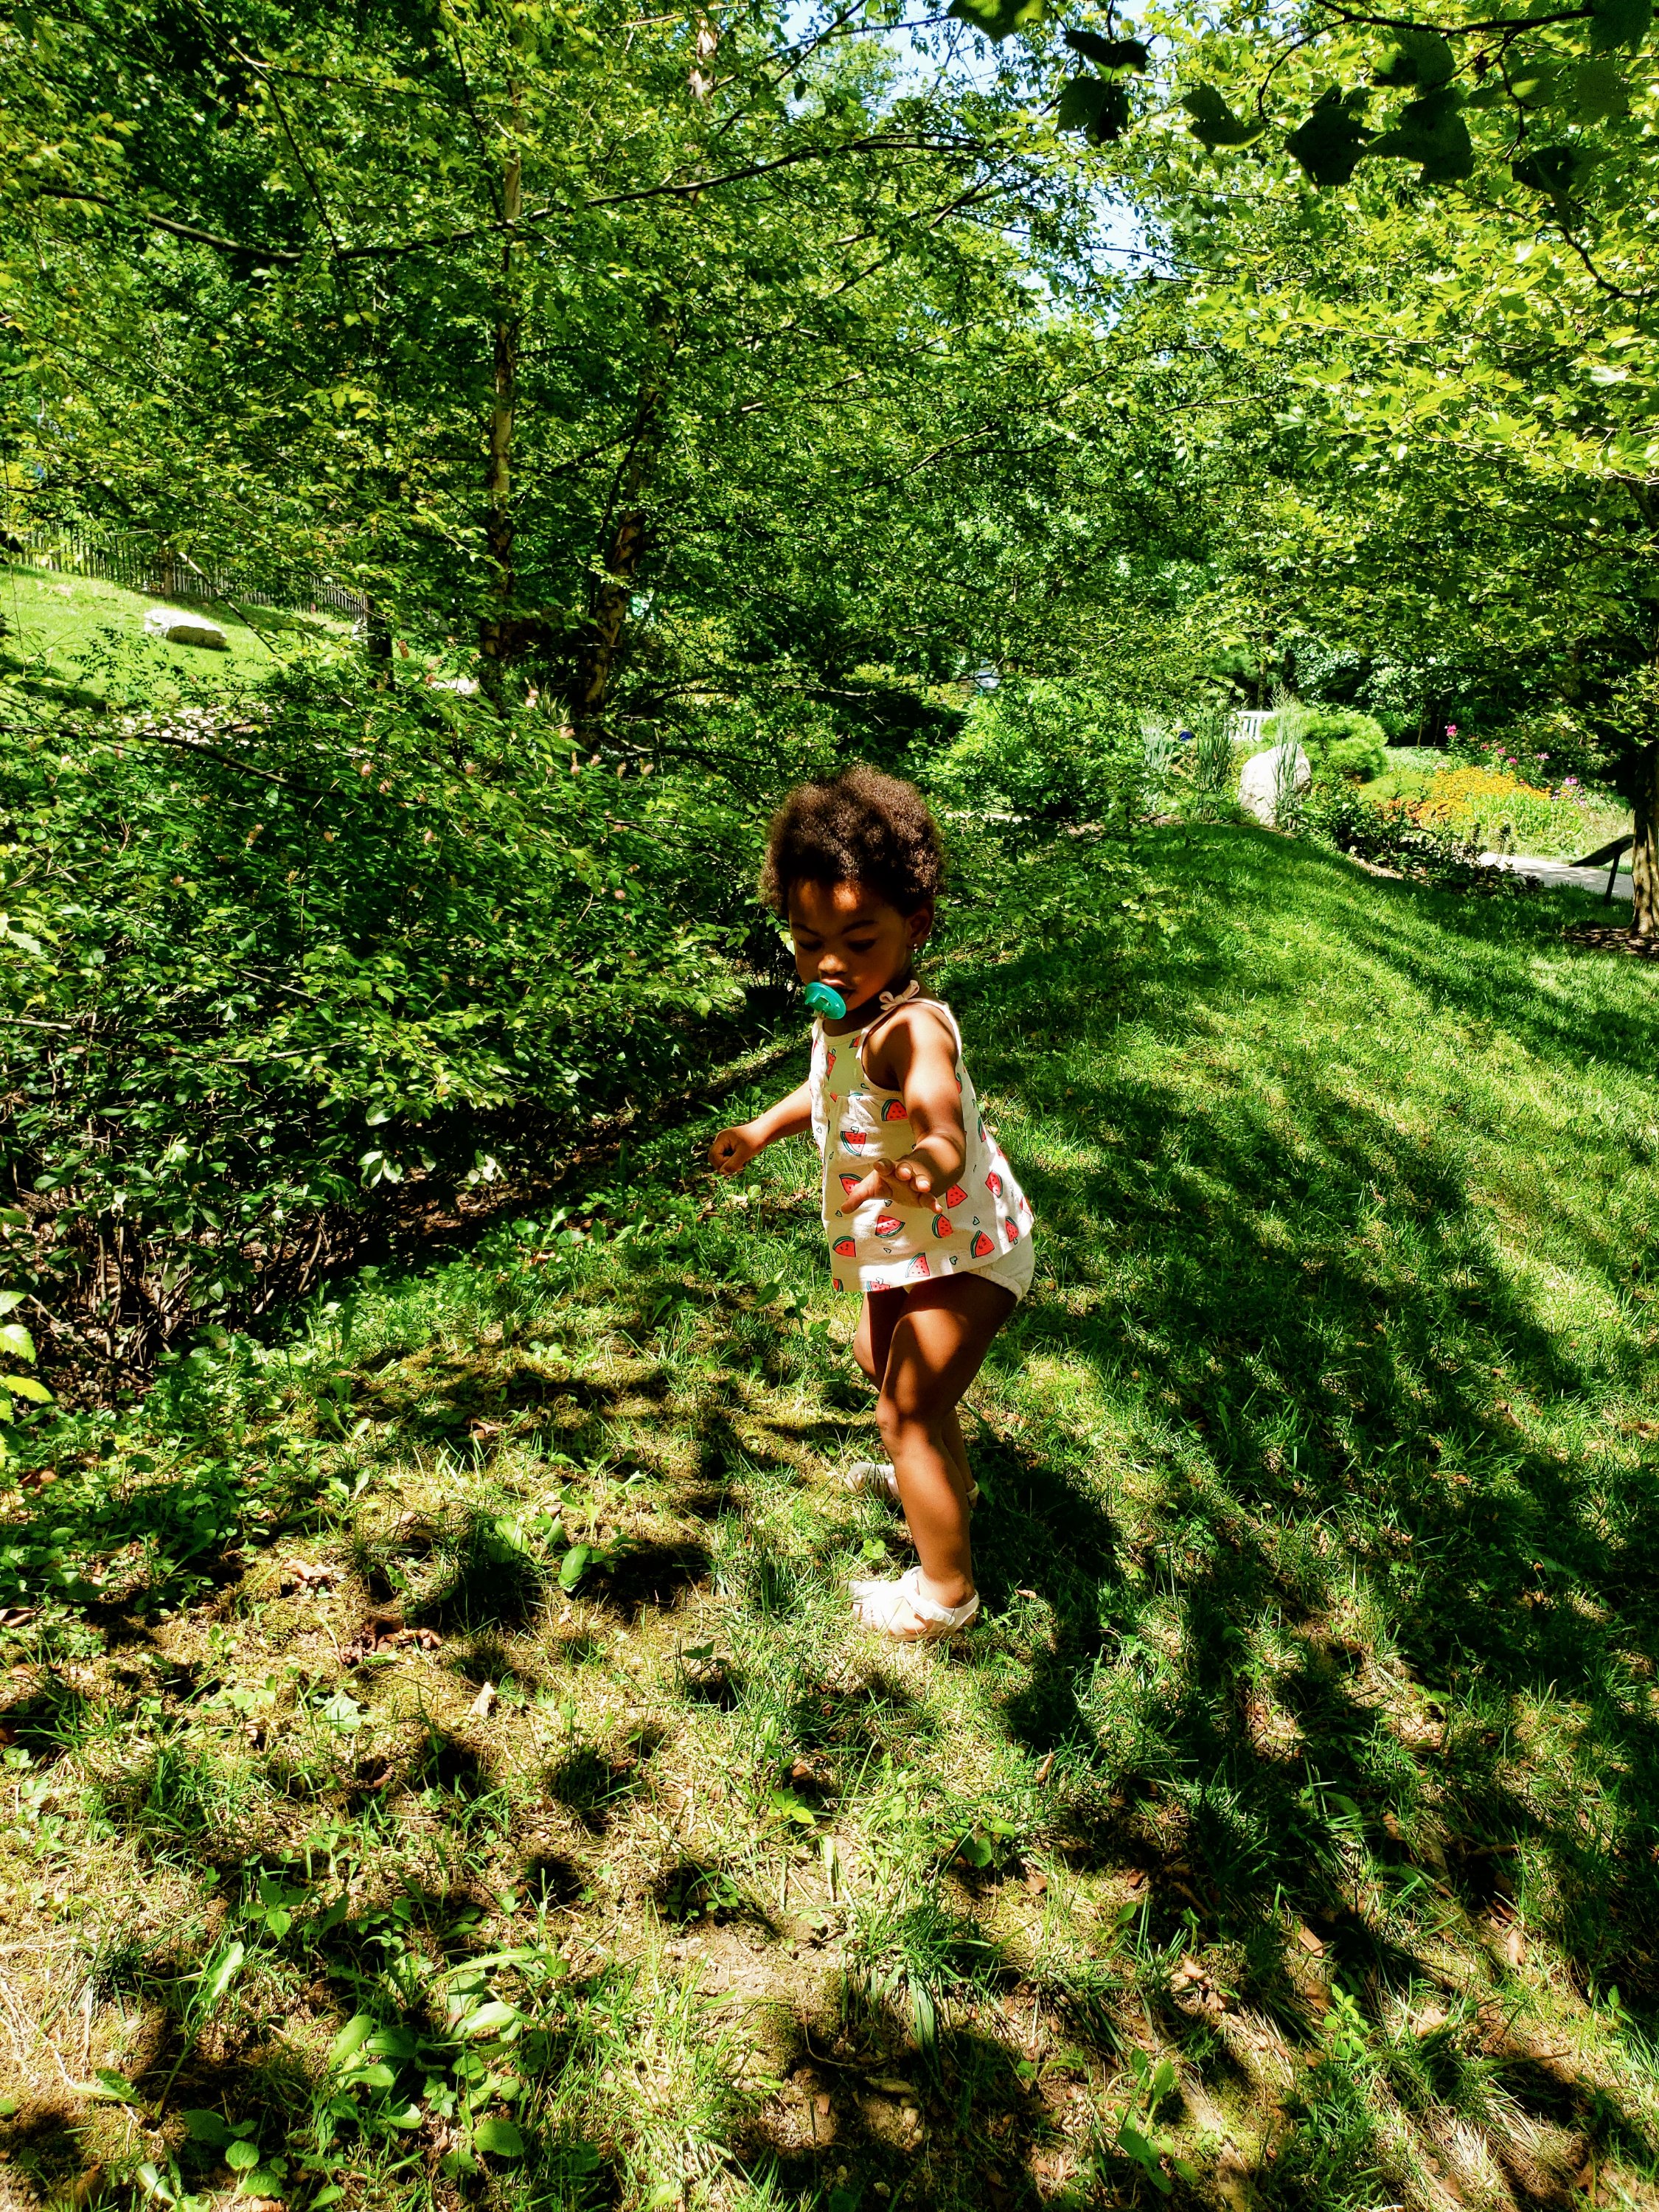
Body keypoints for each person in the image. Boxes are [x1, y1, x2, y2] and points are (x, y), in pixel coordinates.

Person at [707, 768, 1034, 1644]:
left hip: (969, 1249)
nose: (829, 963)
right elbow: (828, 1086)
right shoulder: (848, 1015)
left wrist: (925, 1163)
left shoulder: (909, 1028)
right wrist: (760, 1128)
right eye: (807, 939)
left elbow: (937, 1117)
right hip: (913, 1245)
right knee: (876, 1355)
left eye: (858, 940)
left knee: (907, 1412)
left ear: (914, 926)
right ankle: (945, 1484)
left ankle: (945, 1598)